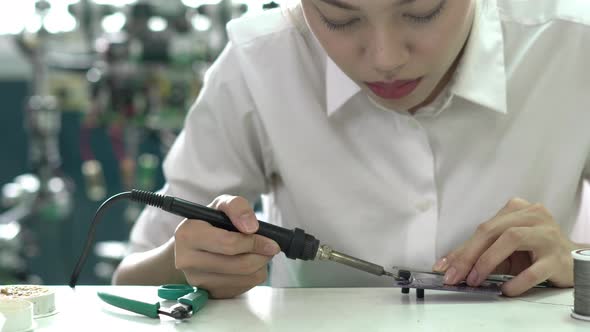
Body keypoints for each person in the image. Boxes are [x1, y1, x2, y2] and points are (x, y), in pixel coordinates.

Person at [112, 0, 590, 299]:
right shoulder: (260, 63)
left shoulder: (573, 44)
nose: (385, 58)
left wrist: (578, 263)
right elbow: (123, 284)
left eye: (421, 10)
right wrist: (183, 262)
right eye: (339, 17)